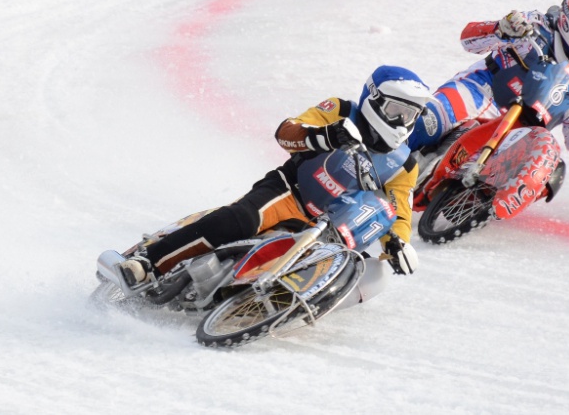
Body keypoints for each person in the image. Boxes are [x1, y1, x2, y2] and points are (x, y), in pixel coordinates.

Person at [118, 65, 435, 286]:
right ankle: (147, 262)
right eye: (396, 111)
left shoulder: (404, 164)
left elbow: (398, 211)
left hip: (332, 227)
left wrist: (398, 244)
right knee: (238, 220)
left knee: (356, 267)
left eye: (411, 115)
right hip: (290, 191)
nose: (402, 122)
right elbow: (287, 132)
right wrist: (324, 136)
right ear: (374, 100)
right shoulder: (340, 111)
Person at [408, 0, 569, 162]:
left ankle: (477, 207)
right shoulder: (534, 23)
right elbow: (469, 40)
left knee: (551, 170)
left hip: (521, 130)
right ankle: (380, 168)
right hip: (481, 91)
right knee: (428, 123)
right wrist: (500, 29)